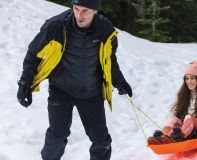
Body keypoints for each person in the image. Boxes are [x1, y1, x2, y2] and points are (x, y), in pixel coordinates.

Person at [16, 0, 132, 160]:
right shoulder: (56, 26)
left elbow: (109, 60)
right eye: (76, 9)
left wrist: (119, 82)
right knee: (57, 136)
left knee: (101, 141)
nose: (79, 15)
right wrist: (25, 83)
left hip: (91, 91)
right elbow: (33, 54)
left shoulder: (105, 30)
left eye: (85, 11)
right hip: (61, 88)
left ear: (95, 11)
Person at [148, 61, 197, 145]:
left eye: (192, 78)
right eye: (187, 78)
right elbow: (173, 111)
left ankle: (176, 138)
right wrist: (170, 125)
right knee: (172, 117)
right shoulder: (183, 93)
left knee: (189, 118)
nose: (189, 81)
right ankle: (163, 137)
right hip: (186, 128)